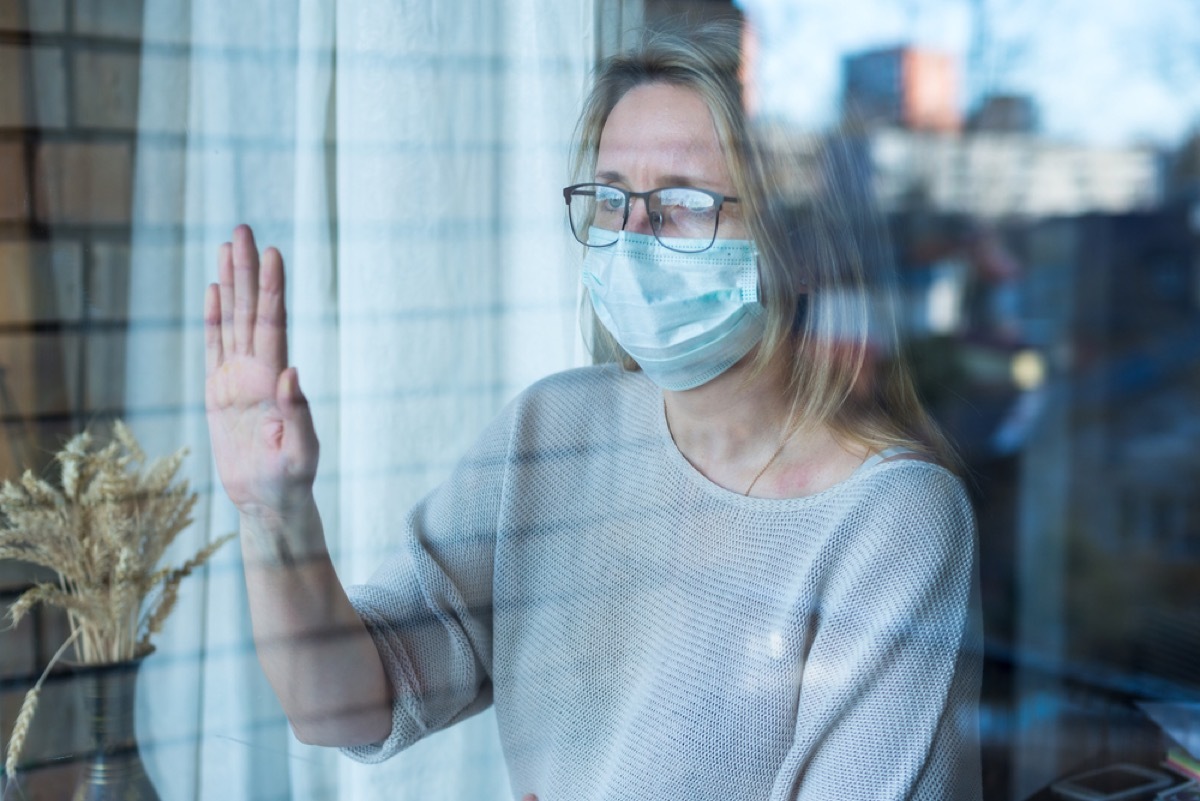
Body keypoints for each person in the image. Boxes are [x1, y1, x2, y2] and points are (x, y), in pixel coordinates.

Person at [204, 23, 981, 801]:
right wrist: (276, 517)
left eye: (681, 203)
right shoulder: (553, 434)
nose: (632, 237)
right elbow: (343, 704)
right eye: (611, 199)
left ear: (799, 242)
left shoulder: (891, 519)